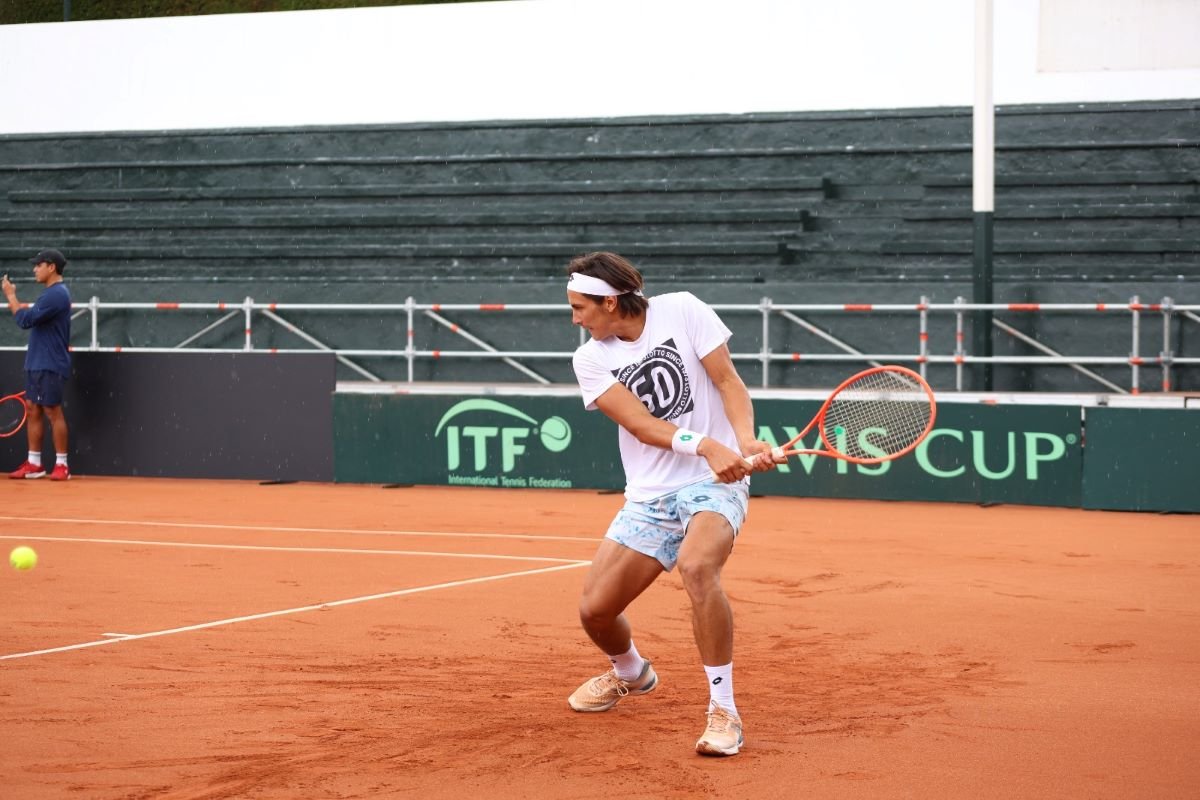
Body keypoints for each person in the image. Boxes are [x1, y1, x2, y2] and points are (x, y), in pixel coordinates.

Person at [564, 251, 783, 757]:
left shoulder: (682, 309)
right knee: (595, 612)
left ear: (610, 301)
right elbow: (641, 425)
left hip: (714, 483)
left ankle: (723, 710)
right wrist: (707, 443)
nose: (575, 319)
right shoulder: (590, 357)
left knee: (698, 567)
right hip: (650, 493)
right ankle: (631, 673)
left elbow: (727, 380)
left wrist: (745, 441)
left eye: (580, 308)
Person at [3, 248, 73, 481]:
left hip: (50, 363)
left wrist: (11, 295)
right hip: (37, 361)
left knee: (52, 411)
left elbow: (24, 320)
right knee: (33, 408)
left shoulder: (56, 294)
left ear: (51, 267)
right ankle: (34, 463)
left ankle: (62, 464)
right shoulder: (50, 294)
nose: (35, 269)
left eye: (38, 265)